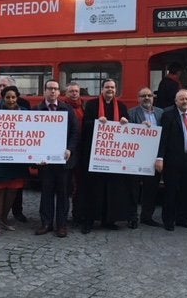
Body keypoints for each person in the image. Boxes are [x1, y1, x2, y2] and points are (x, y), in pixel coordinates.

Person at [80, 79, 132, 233]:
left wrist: (125, 122)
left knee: (112, 190)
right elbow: (85, 125)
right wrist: (96, 122)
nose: (110, 89)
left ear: (116, 90)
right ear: (102, 89)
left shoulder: (121, 106)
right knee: (92, 189)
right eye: (107, 87)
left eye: (112, 87)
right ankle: (88, 220)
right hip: (95, 155)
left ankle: (108, 220)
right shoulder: (92, 105)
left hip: (113, 157)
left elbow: (127, 131)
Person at [0, 86, 30, 235]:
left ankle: (4, 218)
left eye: (13, 97)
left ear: (17, 98)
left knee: (13, 189)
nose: (10, 100)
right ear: (3, 98)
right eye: (7, 97)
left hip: (17, 157)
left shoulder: (25, 113)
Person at [34, 80, 79, 238]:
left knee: (63, 194)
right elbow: (32, 135)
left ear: (59, 92)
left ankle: (61, 225)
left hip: (63, 161)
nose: (52, 91)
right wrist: (36, 157)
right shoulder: (37, 110)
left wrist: (70, 149)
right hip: (45, 162)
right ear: (44, 91)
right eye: (50, 89)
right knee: (46, 193)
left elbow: (75, 132)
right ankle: (46, 223)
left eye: (55, 89)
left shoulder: (67, 109)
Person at [156, 89, 187, 231]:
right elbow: (163, 138)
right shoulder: (168, 115)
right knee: (171, 191)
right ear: (176, 102)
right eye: (181, 99)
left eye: (186, 99)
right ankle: (168, 220)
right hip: (173, 160)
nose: (185, 101)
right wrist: (160, 157)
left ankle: (183, 218)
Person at [128, 87, 164, 227]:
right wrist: (139, 127)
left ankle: (147, 216)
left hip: (154, 157)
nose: (147, 98)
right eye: (143, 96)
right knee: (134, 189)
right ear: (138, 98)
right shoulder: (132, 113)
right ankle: (132, 217)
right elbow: (127, 133)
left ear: (153, 97)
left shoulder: (161, 113)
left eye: (149, 95)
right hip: (136, 157)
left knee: (151, 189)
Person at [62, 82, 86, 225]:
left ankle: (78, 214)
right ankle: (63, 216)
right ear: (66, 93)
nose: (74, 94)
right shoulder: (62, 107)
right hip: (68, 151)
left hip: (81, 150)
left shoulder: (84, 106)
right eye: (71, 91)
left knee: (80, 185)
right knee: (66, 186)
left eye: (76, 91)